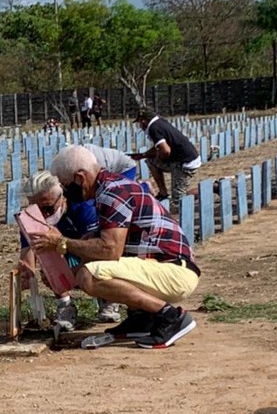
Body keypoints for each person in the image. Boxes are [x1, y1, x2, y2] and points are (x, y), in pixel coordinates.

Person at [30, 145, 200, 349]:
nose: (66, 192)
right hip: (164, 266)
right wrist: (66, 276)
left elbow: (109, 251)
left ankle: (171, 317)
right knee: (84, 272)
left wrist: (61, 243)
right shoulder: (109, 188)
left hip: (174, 270)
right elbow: (103, 250)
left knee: (89, 275)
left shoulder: (113, 192)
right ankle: (142, 317)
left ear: (80, 178)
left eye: (66, 185)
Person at [16, 171, 120, 330]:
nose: (43, 215)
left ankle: (107, 298)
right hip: (62, 253)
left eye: (48, 208)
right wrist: (27, 273)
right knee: (46, 256)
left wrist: (73, 272)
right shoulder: (31, 218)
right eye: (36, 209)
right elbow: (28, 252)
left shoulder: (83, 208)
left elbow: (96, 249)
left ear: (62, 198)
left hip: (89, 248)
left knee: (95, 265)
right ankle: (65, 305)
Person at [130, 108, 200, 210]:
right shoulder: (159, 122)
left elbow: (165, 151)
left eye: (139, 122)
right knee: (151, 161)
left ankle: (212, 187)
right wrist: (144, 155)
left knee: (177, 202)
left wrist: (160, 159)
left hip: (185, 164)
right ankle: (163, 193)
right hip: (183, 159)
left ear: (143, 120)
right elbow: (159, 147)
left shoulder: (153, 128)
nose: (140, 126)